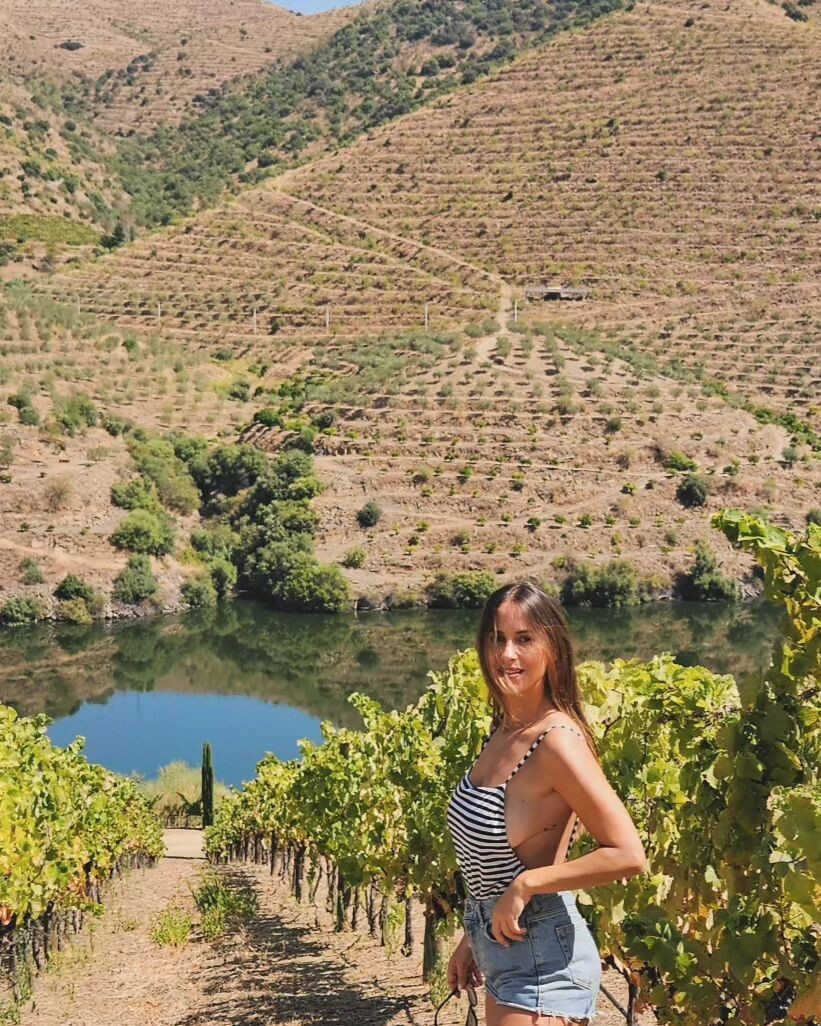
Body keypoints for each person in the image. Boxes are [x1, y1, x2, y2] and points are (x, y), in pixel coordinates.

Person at [445, 582, 648, 1025]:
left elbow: (629, 854)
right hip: (504, 946)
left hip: (543, 962)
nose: (507, 654)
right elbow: (495, 863)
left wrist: (526, 885)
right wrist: (473, 937)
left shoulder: (557, 741)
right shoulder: (505, 729)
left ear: (552, 647)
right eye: (497, 638)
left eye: (524, 639)